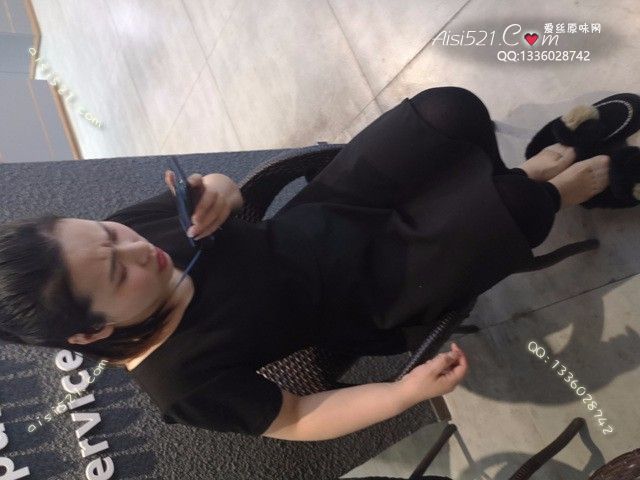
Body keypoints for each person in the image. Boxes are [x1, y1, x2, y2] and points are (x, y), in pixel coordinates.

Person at [0, 86, 611, 441]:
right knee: (516, 208)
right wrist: (399, 393)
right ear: (92, 332)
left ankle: (514, 182)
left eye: (109, 234)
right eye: (118, 273)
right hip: (377, 287)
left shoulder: (129, 236)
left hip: (331, 210)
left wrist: (220, 193)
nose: (136, 248)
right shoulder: (180, 383)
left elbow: (223, 188)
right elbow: (295, 419)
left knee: (449, 110)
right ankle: (550, 188)